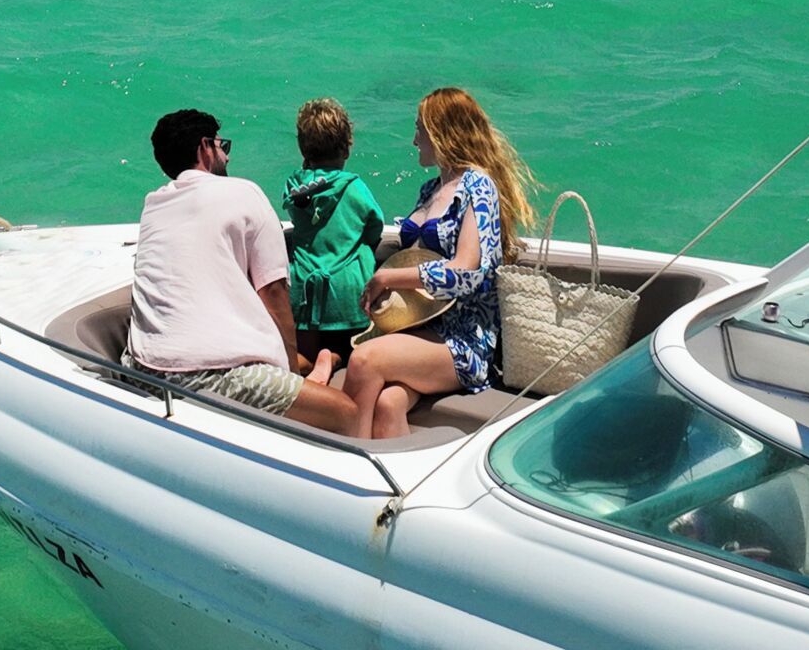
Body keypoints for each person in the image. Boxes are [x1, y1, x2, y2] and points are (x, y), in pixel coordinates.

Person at [127, 108, 358, 433]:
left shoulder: (154, 204)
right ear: (205, 147)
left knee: (294, 366)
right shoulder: (242, 191)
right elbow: (275, 294)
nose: (227, 157)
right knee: (347, 412)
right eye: (224, 147)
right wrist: (290, 376)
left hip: (139, 367)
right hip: (205, 374)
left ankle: (319, 365)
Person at [341, 86, 537, 440]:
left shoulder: (479, 186)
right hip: (424, 328)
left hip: (464, 341)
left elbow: (466, 273)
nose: (414, 140)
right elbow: (418, 259)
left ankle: (345, 466)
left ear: (441, 132)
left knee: (364, 361)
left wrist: (389, 279)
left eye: (419, 128)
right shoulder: (430, 189)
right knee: (388, 404)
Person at [282, 98, 385, 364]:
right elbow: (375, 225)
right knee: (355, 350)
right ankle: (336, 359)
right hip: (348, 290)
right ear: (346, 148)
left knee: (303, 355)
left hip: (304, 288)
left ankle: (312, 367)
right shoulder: (354, 187)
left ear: (303, 148)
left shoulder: (295, 187)